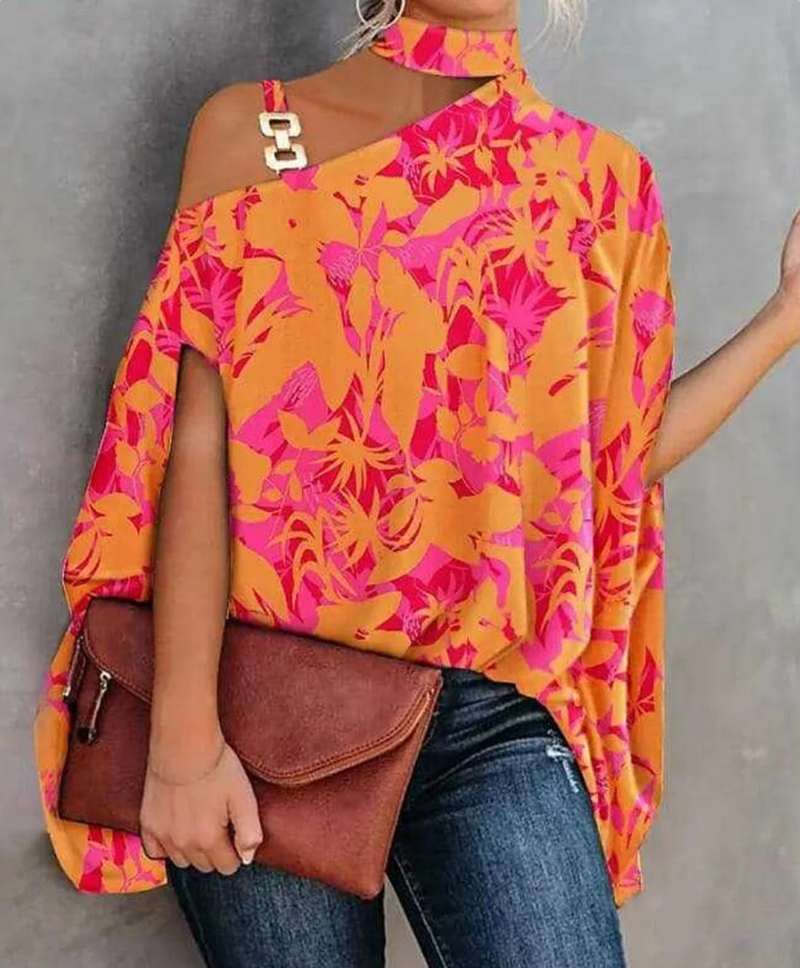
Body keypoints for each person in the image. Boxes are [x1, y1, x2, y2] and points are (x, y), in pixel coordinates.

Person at [34, 0, 800, 966]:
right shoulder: (260, 131)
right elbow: (195, 448)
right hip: (262, 705)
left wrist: (786, 318)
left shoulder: (600, 184)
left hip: (492, 710)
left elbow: (603, 464)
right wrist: (184, 744)